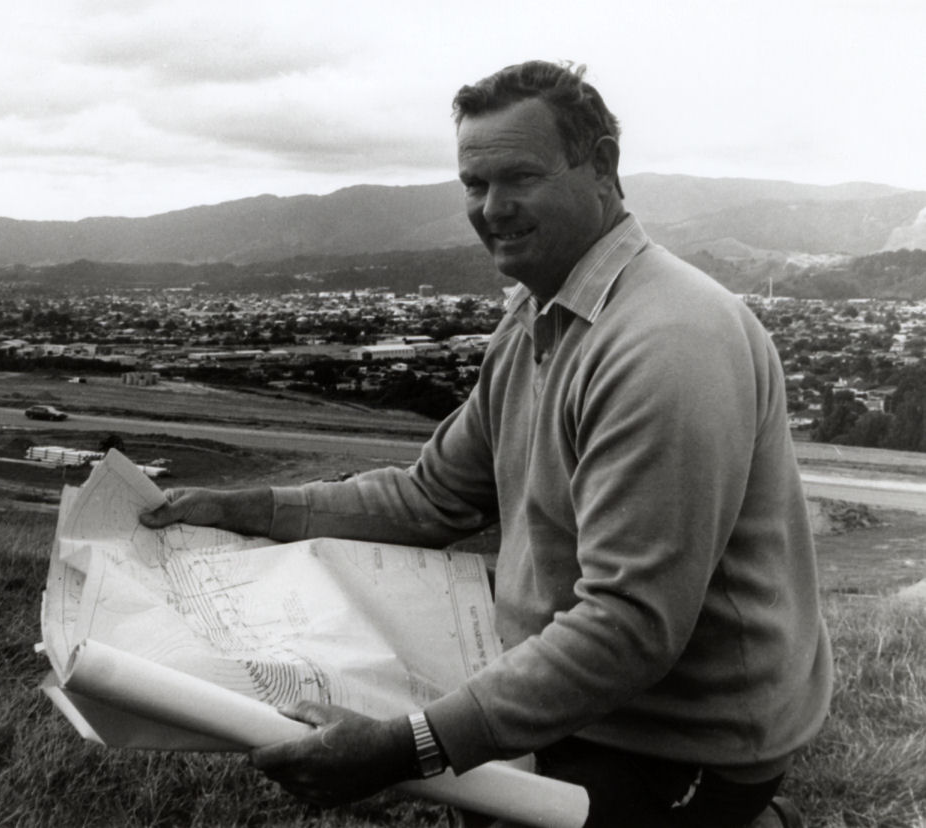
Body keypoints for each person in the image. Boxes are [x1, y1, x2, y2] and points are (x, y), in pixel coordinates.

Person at [141, 60, 830, 828]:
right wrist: (258, 507)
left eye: (519, 178)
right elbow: (432, 495)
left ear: (602, 166)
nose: (492, 209)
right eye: (474, 184)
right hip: (580, 701)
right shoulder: (537, 316)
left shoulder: (667, 344)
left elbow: (631, 627)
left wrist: (410, 747)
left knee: (486, 792)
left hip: (683, 736)